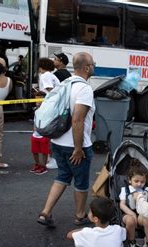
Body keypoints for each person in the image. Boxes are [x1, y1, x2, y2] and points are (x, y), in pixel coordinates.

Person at [36, 52, 96, 228]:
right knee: (81, 182)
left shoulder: (64, 84)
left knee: (62, 175)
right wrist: (78, 148)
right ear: (86, 67)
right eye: (92, 64)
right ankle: (79, 216)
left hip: (57, 141)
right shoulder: (84, 89)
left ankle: (45, 212)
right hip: (75, 145)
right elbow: (77, 119)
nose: (94, 66)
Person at [119, 159, 148, 247]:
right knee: (130, 220)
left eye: (142, 182)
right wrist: (132, 214)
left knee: (147, 219)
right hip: (129, 213)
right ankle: (131, 242)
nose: (139, 184)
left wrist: (144, 213)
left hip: (143, 214)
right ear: (129, 180)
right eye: (136, 181)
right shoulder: (125, 190)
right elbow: (122, 205)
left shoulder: (147, 190)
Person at [31, 58, 61, 172]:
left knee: (43, 133)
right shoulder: (51, 75)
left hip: (48, 107)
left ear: (40, 67)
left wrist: (41, 94)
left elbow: (49, 89)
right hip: (51, 106)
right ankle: (47, 160)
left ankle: (48, 160)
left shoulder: (45, 75)